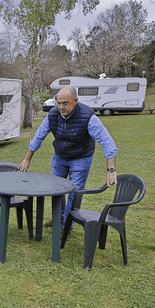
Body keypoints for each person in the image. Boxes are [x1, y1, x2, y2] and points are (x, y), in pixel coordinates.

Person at [18, 86, 118, 237]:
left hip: (81, 158)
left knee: (74, 193)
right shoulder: (53, 115)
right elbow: (39, 136)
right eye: (58, 103)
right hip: (60, 156)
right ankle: (59, 219)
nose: (61, 107)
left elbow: (107, 142)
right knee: (56, 189)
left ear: (75, 101)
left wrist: (111, 170)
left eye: (65, 103)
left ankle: (67, 227)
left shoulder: (87, 117)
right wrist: (27, 159)